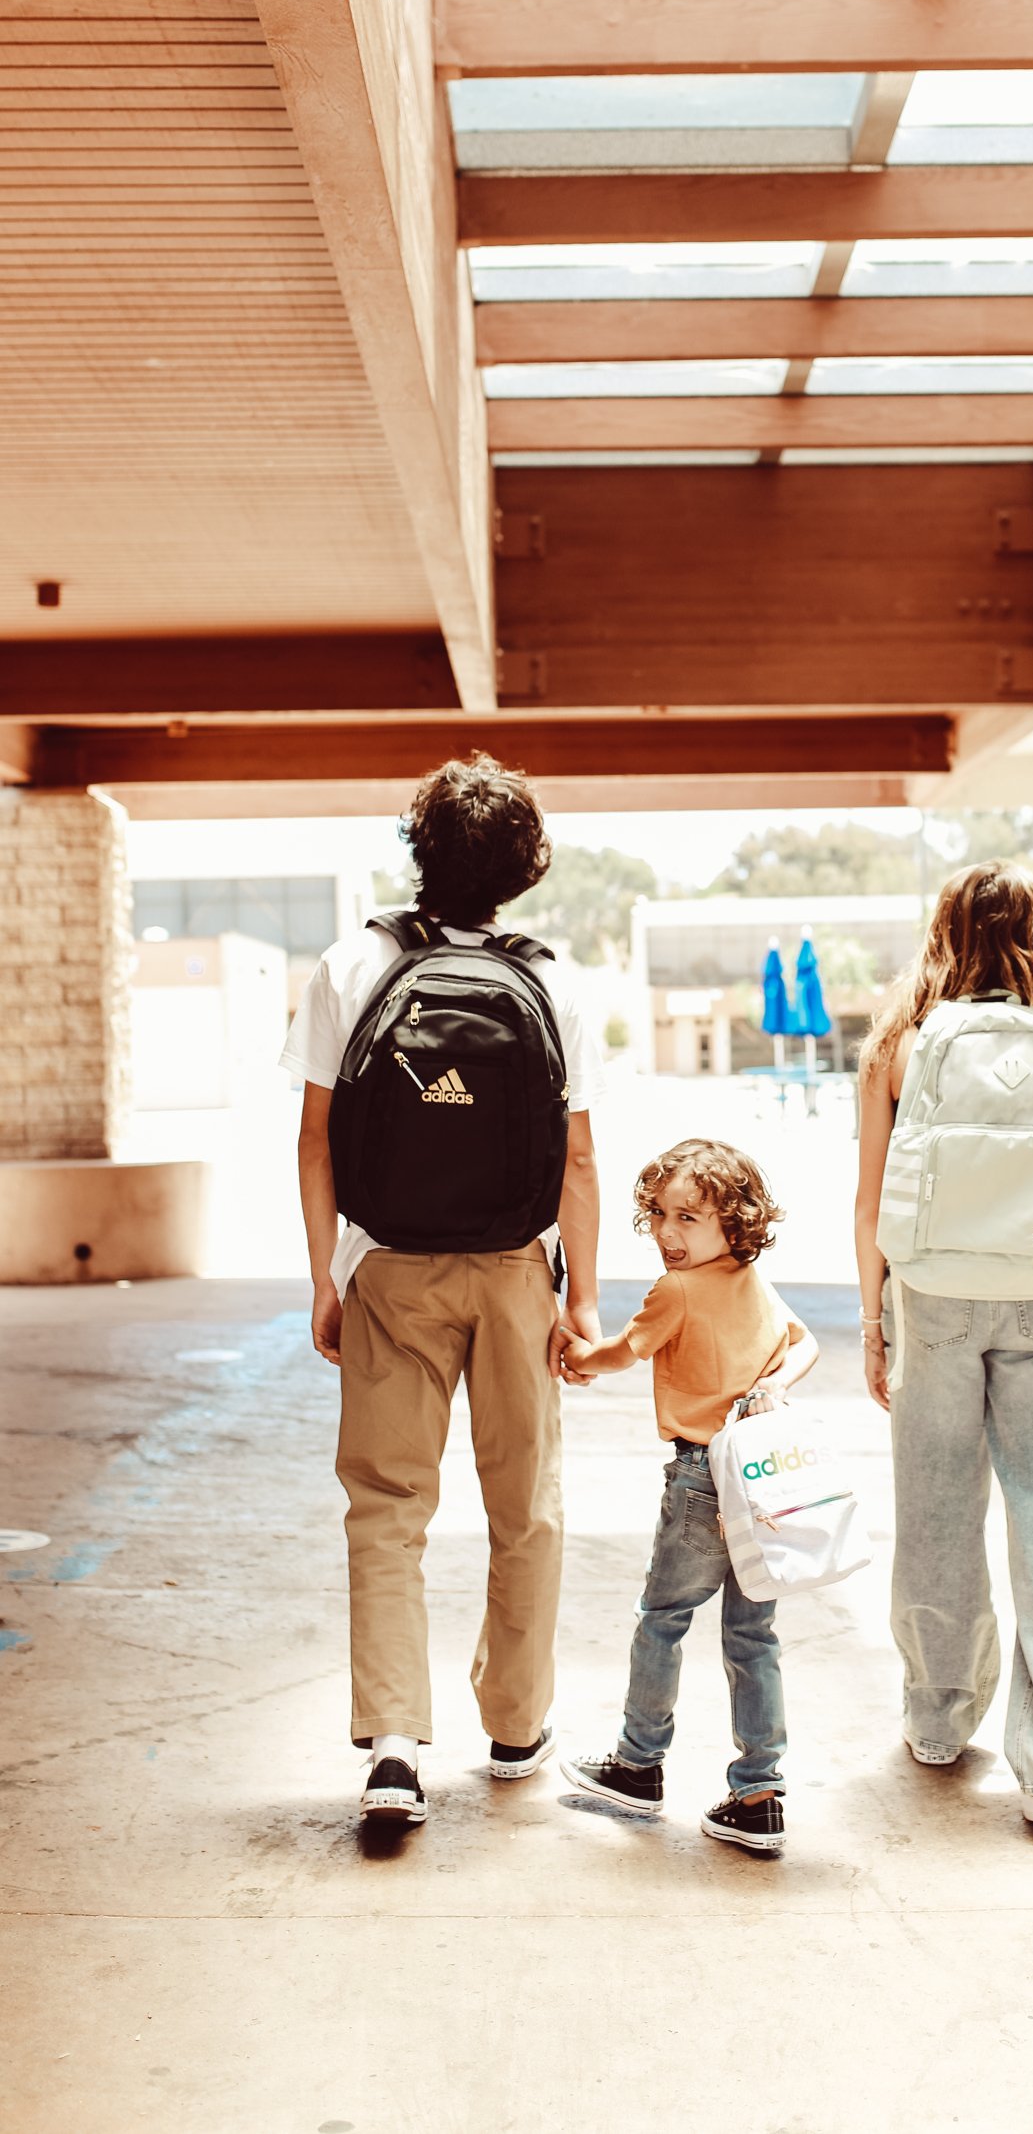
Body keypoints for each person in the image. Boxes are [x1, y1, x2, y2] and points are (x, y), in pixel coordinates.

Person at [283, 753, 603, 1827]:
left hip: (391, 1267)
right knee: (527, 1505)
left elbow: (316, 1141)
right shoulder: (554, 981)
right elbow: (581, 1160)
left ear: (420, 853)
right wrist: (583, 1300)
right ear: (523, 868)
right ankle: (515, 1726)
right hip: (517, 1270)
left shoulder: (351, 964)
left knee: (385, 1508)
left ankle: (390, 1746)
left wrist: (329, 1276)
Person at [853, 862, 1033, 1828]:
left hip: (932, 1296)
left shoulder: (900, 1044)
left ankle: (938, 1718)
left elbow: (868, 1203)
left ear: (941, 934)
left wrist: (872, 1321)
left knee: (935, 1505)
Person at [558, 1138, 819, 1855]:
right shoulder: (749, 1279)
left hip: (703, 1475)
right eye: (659, 1217)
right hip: (762, 1479)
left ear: (735, 1223)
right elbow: (805, 1345)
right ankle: (758, 1793)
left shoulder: (675, 1291)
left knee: (663, 1618)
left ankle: (637, 1765)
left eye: (689, 1218)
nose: (669, 1234)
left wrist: (577, 1356)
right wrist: (772, 1387)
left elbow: (622, 1352)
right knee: (751, 1635)